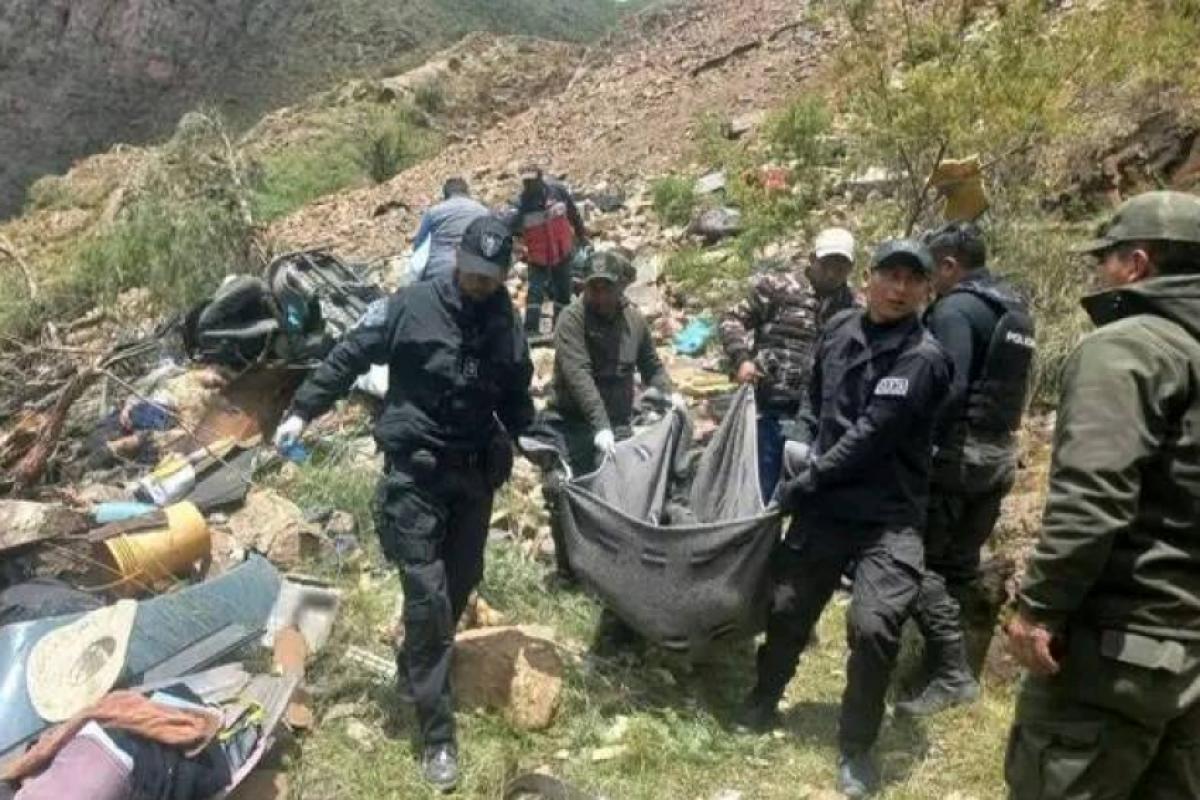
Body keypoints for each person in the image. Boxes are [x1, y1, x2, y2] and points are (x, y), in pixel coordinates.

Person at [273, 215, 533, 792]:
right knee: (428, 599)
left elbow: (516, 396)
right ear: (457, 262)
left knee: (460, 587)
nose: (480, 286)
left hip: (472, 479)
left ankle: (413, 667)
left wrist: (537, 436)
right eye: (472, 275)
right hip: (415, 477)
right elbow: (348, 356)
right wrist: (301, 410)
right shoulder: (410, 306)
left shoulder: (504, 321)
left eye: (491, 279)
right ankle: (437, 737)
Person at [737, 239, 952, 799]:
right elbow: (814, 398)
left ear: (927, 290)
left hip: (888, 513)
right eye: (890, 275)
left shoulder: (923, 357)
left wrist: (803, 480)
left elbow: (871, 436)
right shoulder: (838, 330)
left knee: (875, 626)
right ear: (871, 278)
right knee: (785, 606)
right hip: (827, 505)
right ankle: (763, 697)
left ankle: (857, 746)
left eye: (913, 279)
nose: (899, 289)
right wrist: (800, 439)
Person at [1004, 191, 1200, 799]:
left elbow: (1094, 497)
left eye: (1105, 259)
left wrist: (1038, 608)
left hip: (1111, 657)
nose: (1100, 272)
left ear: (1136, 264)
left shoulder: (1127, 346)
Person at [896, 222, 1035, 716]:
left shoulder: (956, 308)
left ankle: (952, 673)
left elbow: (947, 386)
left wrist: (915, 443)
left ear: (950, 265)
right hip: (997, 454)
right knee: (956, 567)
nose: (927, 281)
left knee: (912, 562)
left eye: (931, 270)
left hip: (957, 457)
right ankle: (938, 671)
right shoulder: (1013, 309)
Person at [543, 249, 683, 578]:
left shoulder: (633, 320)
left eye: (607, 287)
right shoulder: (572, 319)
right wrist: (599, 427)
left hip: (617, 422)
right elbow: (579, 377)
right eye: (593, 288)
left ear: (620, 287)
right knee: (564, 489)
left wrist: (669, 392)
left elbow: (651, 364)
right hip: (573, 421)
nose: (600, 295)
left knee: (627, 492)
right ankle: (570, 571)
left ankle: (616, 569)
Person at [719, 227, 859, 502]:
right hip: (769, 408)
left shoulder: (853, 307)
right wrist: (742, 359)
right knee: (760, 490)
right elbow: (731, 320)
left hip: (817, 420)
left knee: (806, 495)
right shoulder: (777, 289)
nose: (833, 272)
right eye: (827, 263)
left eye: (841, 266)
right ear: (812, 259)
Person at [509, 164, 587, 337]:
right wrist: (519, 248)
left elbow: (573, 214)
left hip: (562, 249)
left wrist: (582, 236)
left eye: (532, 181)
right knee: (535, 292)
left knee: (563, 290)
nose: (529, 185)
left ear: (540, 178)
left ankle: (561, 328)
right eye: (526, 182)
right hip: (538, 255)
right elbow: (512, 230)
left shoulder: (558, 192)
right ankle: (531, 329)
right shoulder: (521, 204)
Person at [411, 177, 489, 283]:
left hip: (438, 274)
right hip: (473, 275)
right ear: (467, 192)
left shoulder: (434, 212)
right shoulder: (483, 212)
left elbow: (418, 246)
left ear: (446, 196)